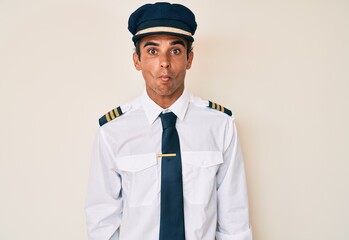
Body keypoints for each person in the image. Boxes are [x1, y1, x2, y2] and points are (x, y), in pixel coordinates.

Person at [85, 2, 252, 240]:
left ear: (189, 59)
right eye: (152, 51)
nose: (164, 62)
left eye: (175, 51)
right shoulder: (113, 131)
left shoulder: (220, 126)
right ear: (137, 60)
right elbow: (102, 223)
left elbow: (234, 222)